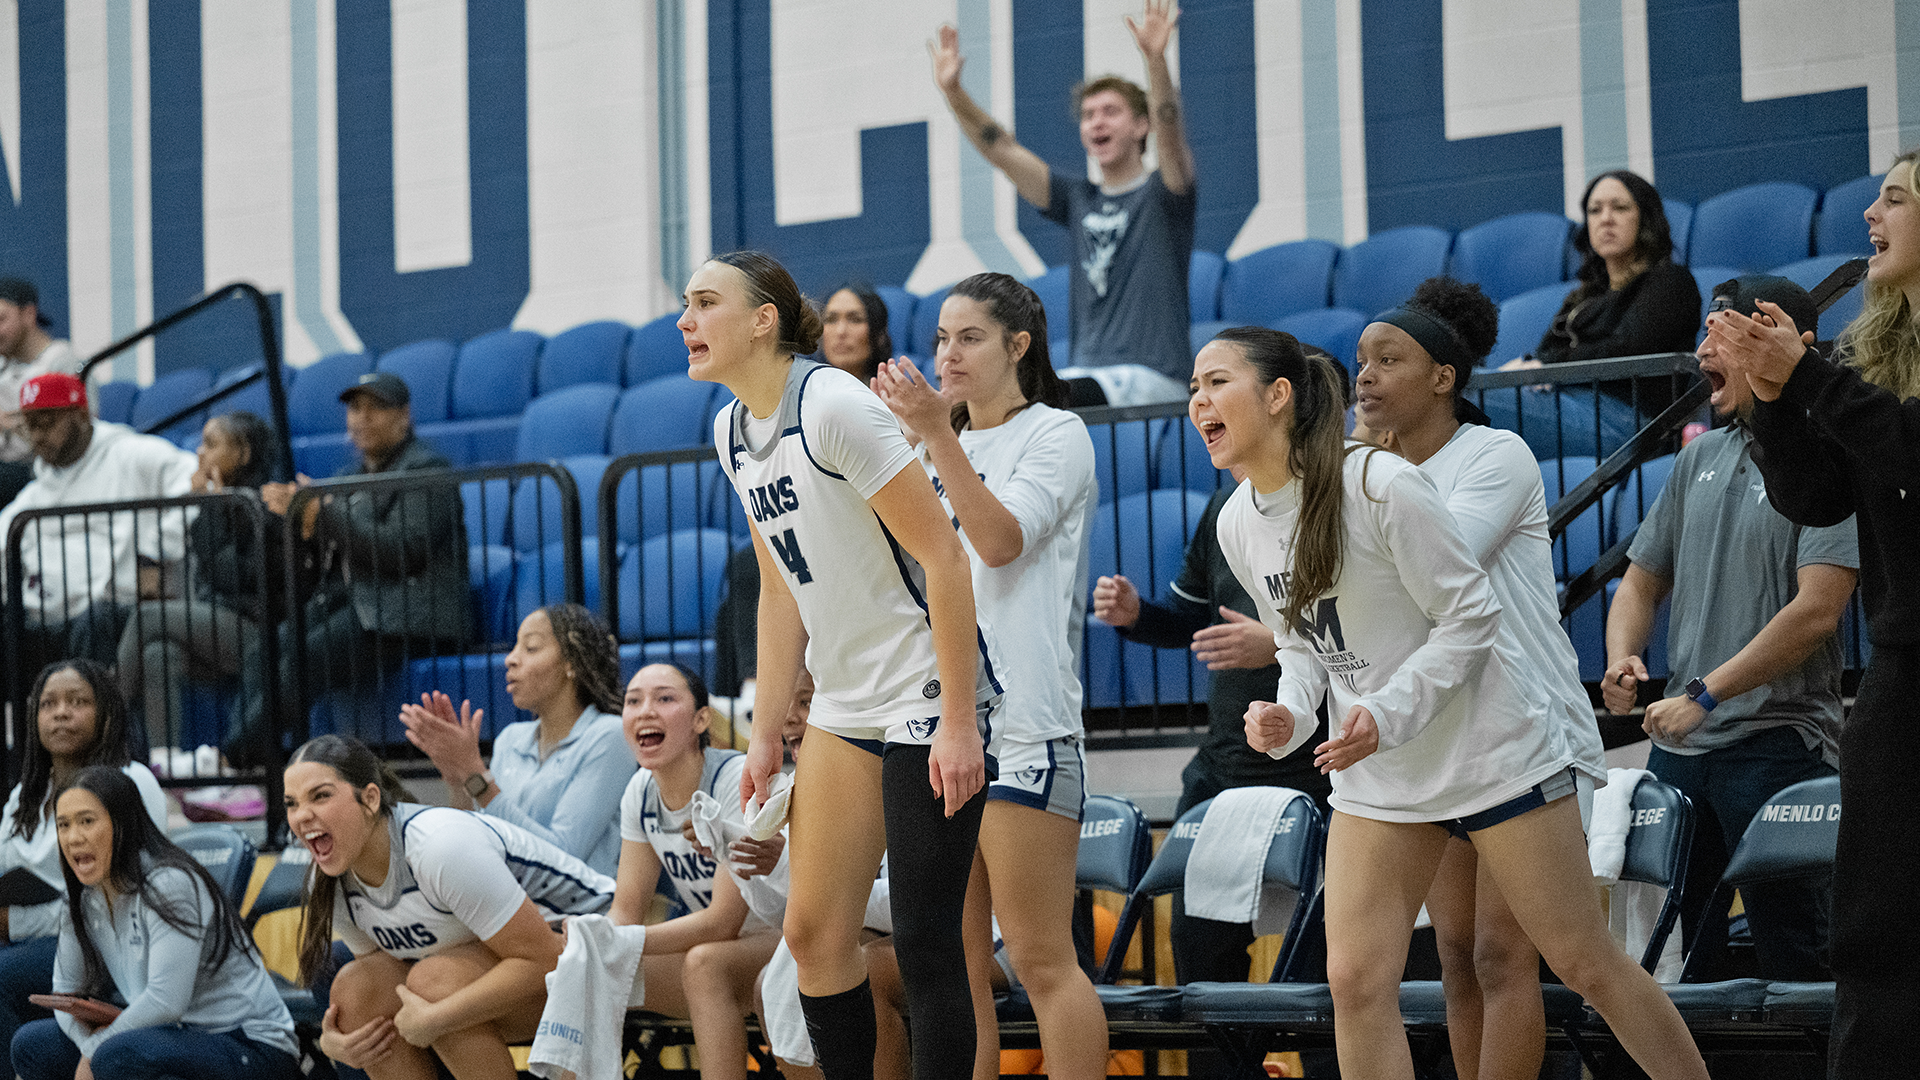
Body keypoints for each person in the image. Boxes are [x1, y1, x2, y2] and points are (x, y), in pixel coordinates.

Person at [1199, 326, 1706, 1079]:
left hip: (1491, 751)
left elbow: (1473, 618)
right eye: (1192, 389)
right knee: (1356, 980)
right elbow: (1304, 641)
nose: (1199, 401)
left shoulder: (1379, 484)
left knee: (1582, 962)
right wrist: (1292, 714)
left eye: (1216, 382)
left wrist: (1386, 712)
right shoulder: (1239, 519)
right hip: (1382, 774)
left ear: (1278, 397)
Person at [684, 249, 1001, 1080]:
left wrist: (961, 722)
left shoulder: (831, 404)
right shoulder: (728, 431)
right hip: (845, 703)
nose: (685, 320)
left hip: (926, 691)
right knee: (814, 936)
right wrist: (761, 738)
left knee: (929, 944)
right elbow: (779, 594)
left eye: (704, 302)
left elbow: (947, 562)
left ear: (763, 321)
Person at [1349, 280, 1609, 1080]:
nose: (1363, 376)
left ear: (1444, 376)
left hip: (1527, 727)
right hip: (1447, 729)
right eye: (1358, 361)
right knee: (1456, 956)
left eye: (1385, 360)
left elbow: (1427, 568)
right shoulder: (1373, 470)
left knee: (1506, 956)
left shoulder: (1492, 455)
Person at [1711, 148, 1920, 1078]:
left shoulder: (1852, 378)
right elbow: (1819, 499)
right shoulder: (1871, 354)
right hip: (1903, 671)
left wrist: (1812, 382)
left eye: (1898, 198)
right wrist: (1770, 403)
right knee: (1871, 930)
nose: (1872, 211)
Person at [871, 272, 1104, 1080]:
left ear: (1018, 345)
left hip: (1029, 725)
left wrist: (936, 438)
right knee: (954, 966)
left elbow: (999, 543)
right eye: (939, 338)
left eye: (968, 337)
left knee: (1040, 961)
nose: (947, 353)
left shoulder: (1057, 435)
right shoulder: (940, 442)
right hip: (943, 723)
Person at [1604, 275, 1853, 986]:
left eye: (1725, 334)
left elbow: (1816, 611)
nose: (1702, 349)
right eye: (1703, 334)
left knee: (1800, 965)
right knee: (1678, 968)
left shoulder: (1825, 457)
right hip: (1685, 745)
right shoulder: (1697, 458)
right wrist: (1624, 657)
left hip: (1777, 748)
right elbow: (1641, 581)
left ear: (1781, 345)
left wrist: (1705, 694)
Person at [284, 734, 614, 1080]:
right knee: (359, 989)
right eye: (291, 803)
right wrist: (332, 1044)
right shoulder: (328, 881)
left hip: (601, 955)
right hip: (523, 977)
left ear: (369, 799)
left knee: (434, 984)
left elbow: (547, 957)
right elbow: (383, 981)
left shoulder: (438, 846)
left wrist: (439, 1017)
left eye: (320, 796)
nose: (302, 816)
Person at [931, 1, 1195, 403]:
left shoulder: (1163, 194)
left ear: (1142, 126)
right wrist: (954, 93)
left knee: (1040, 396)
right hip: (1087, 375)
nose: (1097, 122)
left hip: (1152, 380)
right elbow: (1001, 148)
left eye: (1110, 111)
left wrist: (1155, 60)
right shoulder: (1078, 198)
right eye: (1089, 115)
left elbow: (1170, 128)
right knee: (983, 396)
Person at [229, 371, 471, 769]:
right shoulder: (348, 478)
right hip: (359, 604)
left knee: (303, 660)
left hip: (410, 613)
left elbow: (401, 550)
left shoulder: (429, 469)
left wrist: (323, 512)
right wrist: (293, 516)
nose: (362, 418)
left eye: (376, 408)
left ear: (403, 416)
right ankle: (248, 764)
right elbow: (327, 544)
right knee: (266, 648)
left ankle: (234, 762)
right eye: (355, 408)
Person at [9, 765, 300, 1080]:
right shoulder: (82, 898)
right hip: (169, 1036)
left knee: (118, 1055)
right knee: (31, 1043)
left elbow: (166, 1001)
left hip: (248, 1044)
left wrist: (96, 1050)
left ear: (123, 825)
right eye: (63, 825)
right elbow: (64, 993)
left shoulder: (169, 883)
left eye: (87, 821)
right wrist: (88, 1045)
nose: (73, 837)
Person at [610, 662, 784, 1080]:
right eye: (633, 701)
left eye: (665, 698)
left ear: (701, 719)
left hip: (778, 936)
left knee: (705, 963)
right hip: (723, 948)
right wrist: (595, 944)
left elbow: (724, 922)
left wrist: (616, 940)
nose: (645, 710)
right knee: (587, 970)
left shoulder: (733, 778)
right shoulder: (640, 790)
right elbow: (626, 908)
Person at [0, 660, 167, 1057]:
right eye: (48, 704)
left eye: (77, 702)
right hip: (34, 940)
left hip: (107, 944)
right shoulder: (26, 795)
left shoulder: (132, 780)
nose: (61, 712)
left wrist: (14, 923)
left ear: (105, 713)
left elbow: (127, 892)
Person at [115, 411, 303, 763]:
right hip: (216, 628)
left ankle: (105, 726)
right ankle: (166, 766)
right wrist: (209, 506)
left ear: (244, 453)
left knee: (147, 617)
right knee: (159, 653)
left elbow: (233, 576)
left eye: (212, 444)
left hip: (258, 633)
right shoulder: (219, 503)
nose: (200, 453)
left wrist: (209, 506)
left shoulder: (263, 504)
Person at [397, 603, 633, 877]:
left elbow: (565, 857)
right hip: (509, 904)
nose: (510, 659)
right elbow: (478, 840)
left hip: (579, 914)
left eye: (531, 648)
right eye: (515, 647)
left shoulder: (610, 736)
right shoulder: (510, 739)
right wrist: (458, 779)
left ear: (571, 664)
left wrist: (476, 776)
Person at [0, 372, 197, 674]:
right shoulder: (37, 491)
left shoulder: (132, 454)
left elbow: (197, 485)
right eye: (31, 426)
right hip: (44, 617)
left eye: (47, 423)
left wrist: (155, 552)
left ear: (80, 414)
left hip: (116, 613)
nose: (38, 436)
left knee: (94, 623)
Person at [1493, 171, 1701, 456]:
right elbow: (1546, 351)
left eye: (1620, 207)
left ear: (1645, 218)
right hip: (1572, 404)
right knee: (1468, 387)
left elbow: (1628, 349)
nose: (1605, 218)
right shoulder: (1585, 295)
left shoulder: (1671, 281)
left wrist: (1546, 365)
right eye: (1595, 210)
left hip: (1631, 423)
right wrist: (1532, 366)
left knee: (1458, 394)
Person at [0, 277, 84, 507]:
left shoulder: (62, 364)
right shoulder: (3, 366)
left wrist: (9, 423)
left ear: (28, 314)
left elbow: (78, 438)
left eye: (1, 319)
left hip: (42, 470)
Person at [820, 284, 892, 384]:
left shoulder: (894, 396)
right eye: (831, 320)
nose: (840, 331)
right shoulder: (800, 393)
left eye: (855, 320)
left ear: (879, 334)